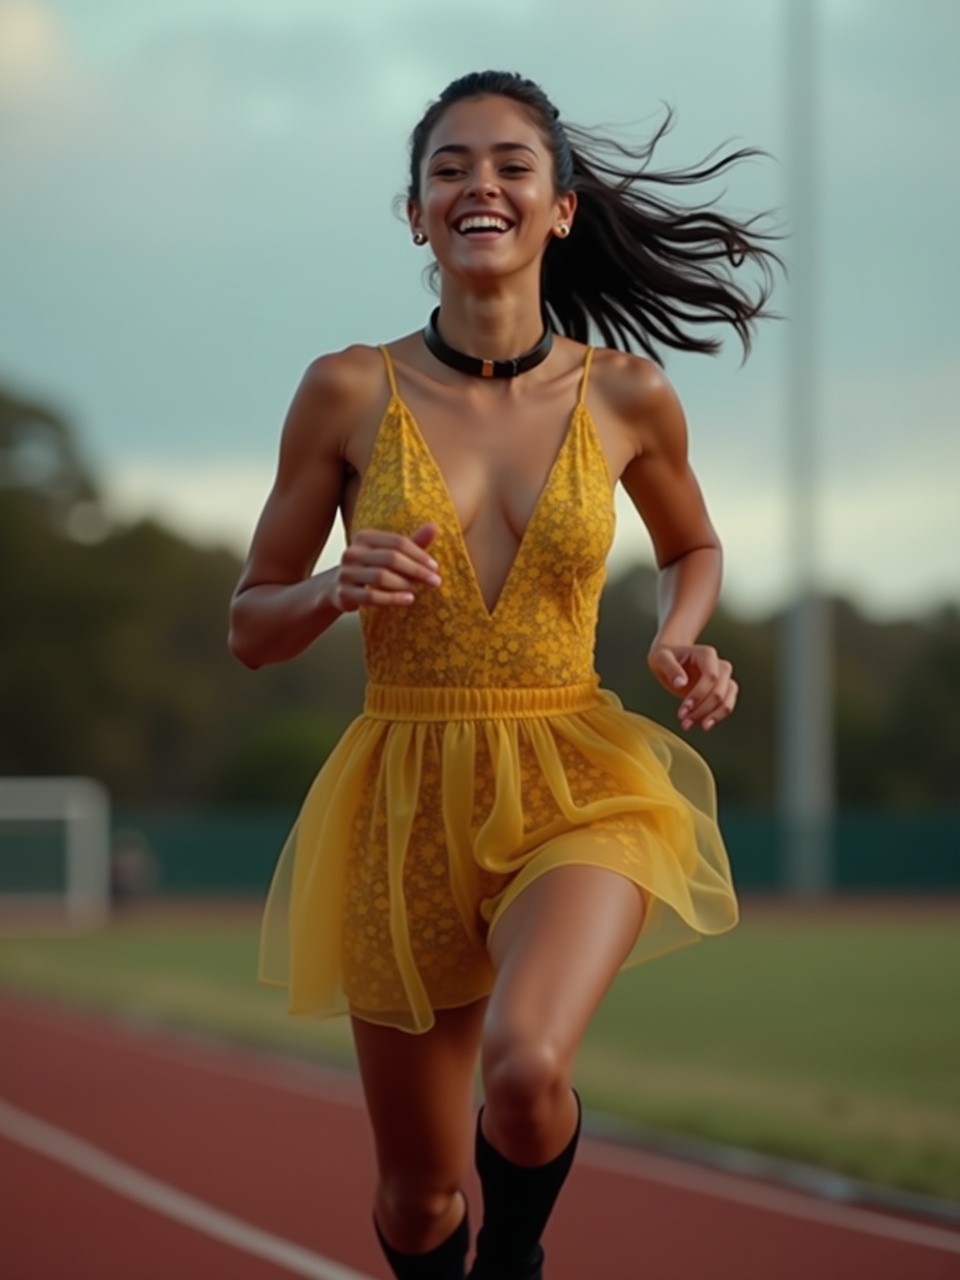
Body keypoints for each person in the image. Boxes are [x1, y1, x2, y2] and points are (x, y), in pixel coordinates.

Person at [229, 70, 780, 1280]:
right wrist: (330, 587)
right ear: (416, 212)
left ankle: (516, 1265)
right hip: (403, 794)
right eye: (449, 167)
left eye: (511, 164)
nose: (479, 183)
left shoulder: (627, 392)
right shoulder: (346, 389)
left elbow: (695, 543)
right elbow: (250, 624)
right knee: (419, 1196)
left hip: (578, 776)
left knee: (528, 1072)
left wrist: (679, 630)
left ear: (560, 207)